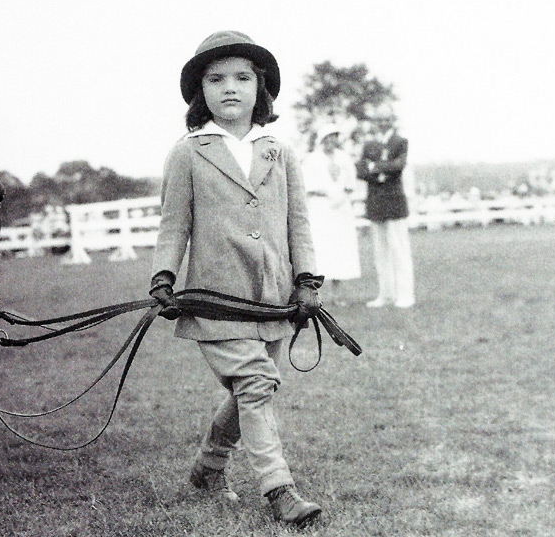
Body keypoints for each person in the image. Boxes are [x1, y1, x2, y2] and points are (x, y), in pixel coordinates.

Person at [149, 30, 323, 527]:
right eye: (216, 79)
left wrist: (307, 279)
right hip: (214, 298)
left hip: (272, 297)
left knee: (250, 389)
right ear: (199, 92)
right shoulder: (188, 152)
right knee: (256, 381)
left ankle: (207, 468)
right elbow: (173, 224)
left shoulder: (279, 151)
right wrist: (163, 275)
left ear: (260, 87)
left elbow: (299, 222)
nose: (230, 88)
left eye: (243, 78)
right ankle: (279, 489)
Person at [356, 101, 415, 308]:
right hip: (376, 202)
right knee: (380, 253)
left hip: (395, 202)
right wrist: (380, 171)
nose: (383, 122)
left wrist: (375, 167)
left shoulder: (401, 141)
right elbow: (361, 171)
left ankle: (406, 295)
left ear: (392, 119)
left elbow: (398, 166)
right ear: (375, 121)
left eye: (386, 118)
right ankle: (386, 294)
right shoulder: (368, 144)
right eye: (379, 119)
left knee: (399, 250)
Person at [301, 119, 362, 304]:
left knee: (341, 249)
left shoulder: (344, 158)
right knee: (321, 249)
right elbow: (307, 186)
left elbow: (351, 183)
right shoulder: (312, 159)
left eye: (334, 138)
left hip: (341, 209)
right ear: (321, 140)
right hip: (321, 209)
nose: (331, 142)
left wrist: (342, 194)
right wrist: (328, 193)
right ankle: (318, 296)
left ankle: (339, 295)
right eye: (327, 138)